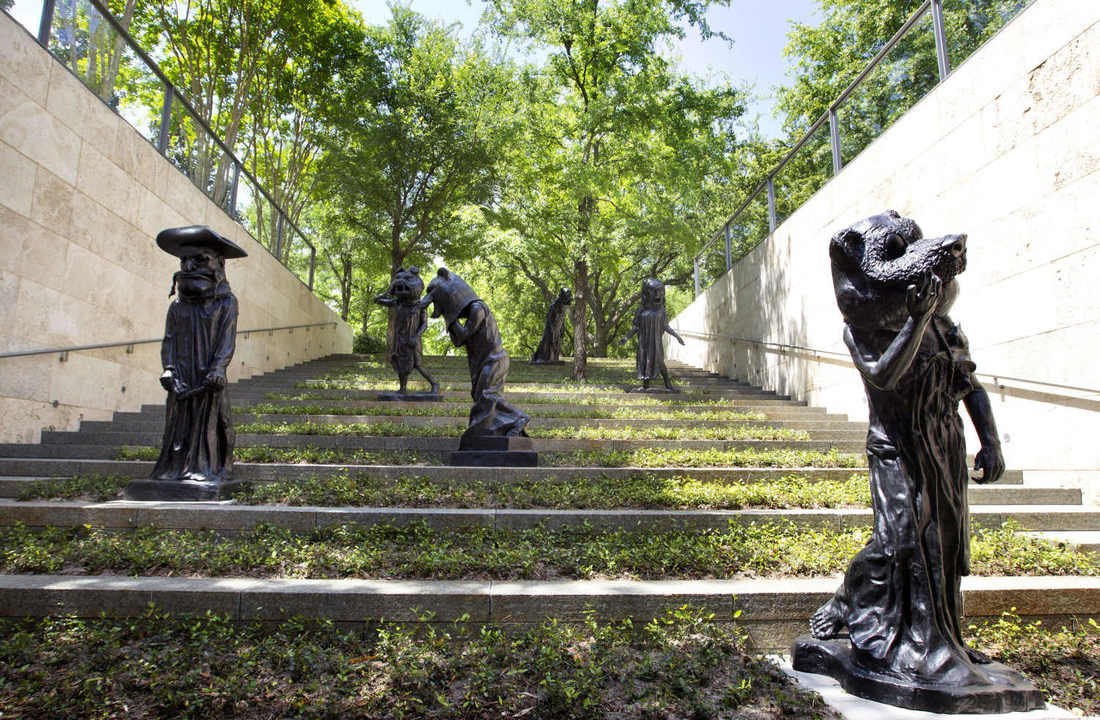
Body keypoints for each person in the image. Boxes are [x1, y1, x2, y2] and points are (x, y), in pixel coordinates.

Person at [126, 225, 246, 499]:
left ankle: (218, 466)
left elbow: (227, 340)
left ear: (219, 264)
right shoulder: (177, 307)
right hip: (182, 376)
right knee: (178, 423)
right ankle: (175, 469)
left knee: (219, 421)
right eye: (184, 261)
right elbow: (168, 340)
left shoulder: (227, 303)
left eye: (200, 260)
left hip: (209, 378)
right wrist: (168, 368)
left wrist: (218, 368)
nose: (190, 266)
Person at [621, 278, 684, 390]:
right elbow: (636, 327)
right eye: (654, 291)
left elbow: (665, 326)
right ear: (646, 293)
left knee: (660, 362)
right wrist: (626, 337)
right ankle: (645, 386)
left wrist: (677, 336)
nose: (657, 295)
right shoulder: (641, 310)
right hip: (643, 343)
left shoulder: (661, 311)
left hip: (656, 342)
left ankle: (668, 385)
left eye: (660, 291)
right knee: (644, 361)